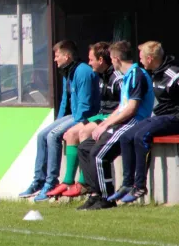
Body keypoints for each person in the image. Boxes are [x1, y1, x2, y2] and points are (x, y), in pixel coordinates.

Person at [77, 41, 154, 210]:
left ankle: (107, 198)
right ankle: (94, 194)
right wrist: (104, 123)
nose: (111, 62)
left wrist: (108, 124)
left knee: (98, 155)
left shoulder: (136, 75)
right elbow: (121, 106)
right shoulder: (128, 76)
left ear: (117, 59)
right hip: (122, 121)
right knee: (84, 148)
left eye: (111, 59)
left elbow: (132, 109)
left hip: (133, 123)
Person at [18, 40, 100, 201]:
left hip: (83, 117)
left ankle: (51, 182)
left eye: (57, 56)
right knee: (42, 134)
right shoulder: (67, 72)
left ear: (67, 56)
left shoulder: (82, 71)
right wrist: (59, 121)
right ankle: (38, 181)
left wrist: (68, 126)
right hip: (72, 115)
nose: (54, 59)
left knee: (52, 135)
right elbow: (65, 101)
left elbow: (85, 105)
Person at [47, 42, 123, 198]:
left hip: (112, 117)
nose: (89, 63)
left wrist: (105, 121)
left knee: (83, 132)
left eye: (91, 59)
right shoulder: (100, 76)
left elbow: (124, 105)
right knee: (69, 134)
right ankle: (68, 180)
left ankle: (83, 182)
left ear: (101, 60)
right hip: (101, 115)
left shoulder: (116, 77)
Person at [109, 41, 179, 203]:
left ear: (149, 58)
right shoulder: (154, 73)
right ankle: (127, 184)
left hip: (174, 118)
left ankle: (139, 185)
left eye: (141, 57)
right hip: (161, 117)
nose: (139, 60)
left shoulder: (174, 74)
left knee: (141, 136)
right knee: (126, 136)